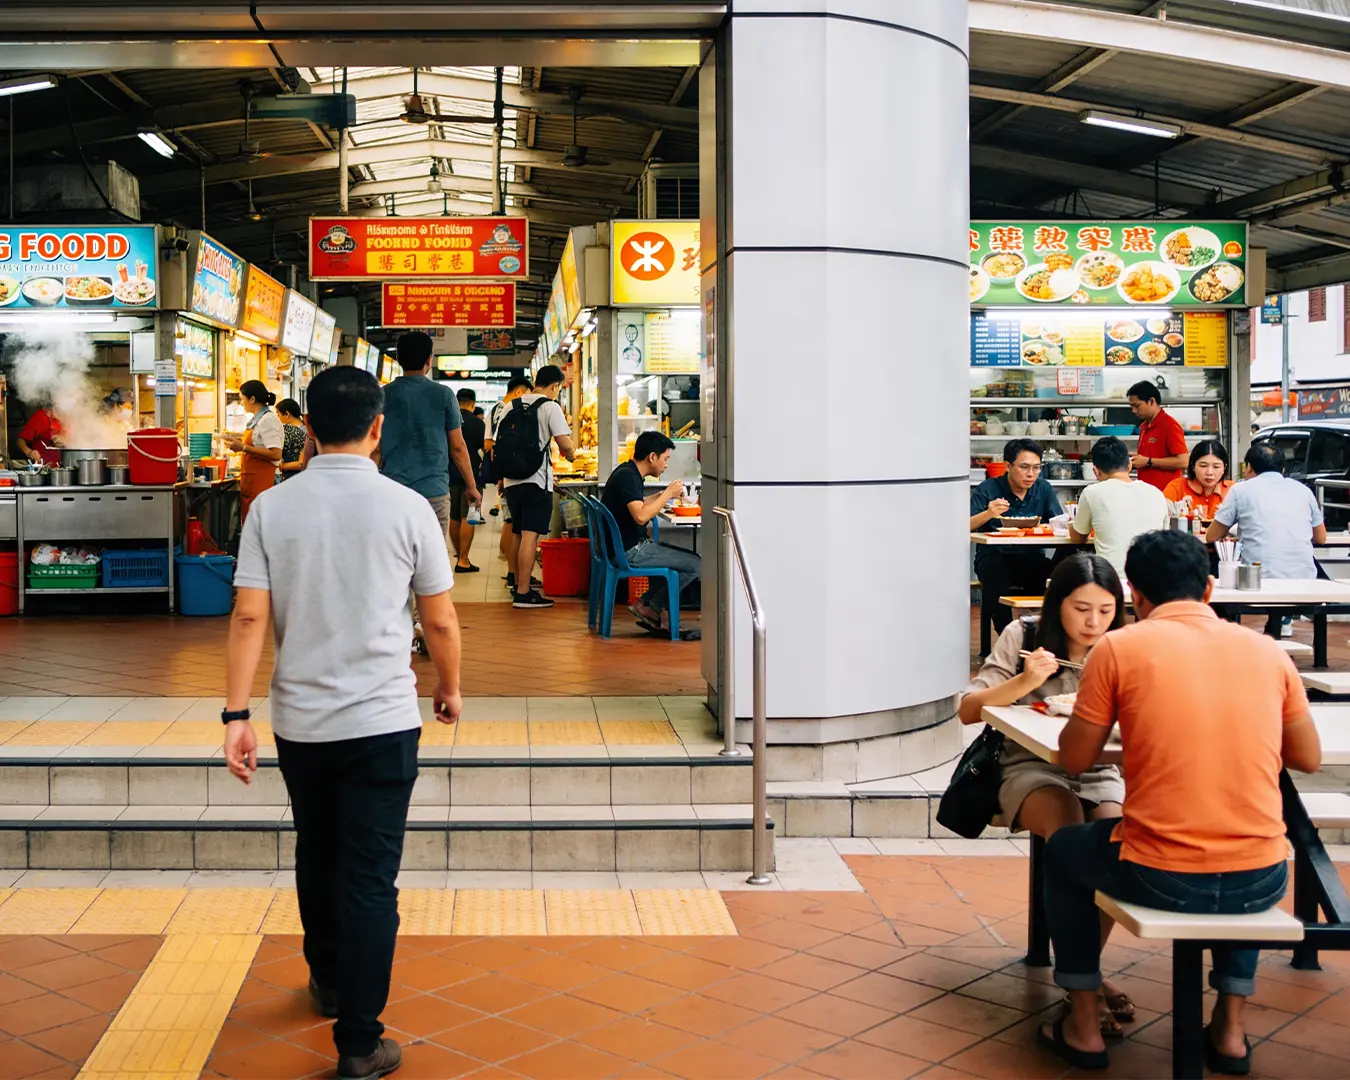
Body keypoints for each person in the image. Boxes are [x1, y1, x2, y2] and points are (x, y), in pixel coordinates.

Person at [225, 366, 462, 1080]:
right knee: (368, 876)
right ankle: (359, 1040)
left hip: (301, 722)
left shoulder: (271, 506)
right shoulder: (409, 506)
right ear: (377, 426)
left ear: (309, 428)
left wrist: (237, 714)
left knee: (317, 849)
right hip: (383, 719)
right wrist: (449, 687)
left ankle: (326, 977)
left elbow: (247, 616)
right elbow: (440, 617)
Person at [1036, 530, 1321, 1074]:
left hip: (1158, 872)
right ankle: (1231, 1030)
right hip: (1263, 874)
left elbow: (1074, 759)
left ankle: (1082, 1019)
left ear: (1135, 596)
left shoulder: (1121, 648)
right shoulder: (1266, 652)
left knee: (1066, 850)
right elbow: (1306, 757)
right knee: (1244, 854)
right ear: (1209, 587)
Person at [961, 553, 1135, 1036]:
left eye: (1105, 611)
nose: (1093, 622)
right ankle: (1084, 986)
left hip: (1100, 768)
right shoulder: (1025, 636)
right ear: (1058, 602)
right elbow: (969, 710)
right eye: (1081, 609)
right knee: (1070, 836)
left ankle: (1084, 977)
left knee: (1112, 843)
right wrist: (1027, 680)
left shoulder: (1124, 646)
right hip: (1029, 763)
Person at [1208, 442, 1327, 637]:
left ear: (1248, 467)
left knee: (1217, 570)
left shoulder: (1240, 490)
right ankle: (1280, 625)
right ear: (1282, 468)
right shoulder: (1303, 490)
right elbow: (1320, 537)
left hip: (1255, 582)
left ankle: (1228, 634)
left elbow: (1212, 536)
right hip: (1304, 581)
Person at [379, 332, 480, 547]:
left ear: (398, 359)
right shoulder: (443, 394)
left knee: (396, 556)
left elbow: (375, 449)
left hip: (393, 492)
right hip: (433, 491)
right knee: (431, 558)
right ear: (429, 360)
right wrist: (471, 486)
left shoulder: (382, 395)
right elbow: (458, 447)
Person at [601, 430, 694, 630]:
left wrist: (663, 496)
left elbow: (638, 503)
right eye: (666, 459)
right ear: (652, 457)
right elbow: (641, 516)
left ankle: (646, 604)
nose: (666, 465)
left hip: (622, 547)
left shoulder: (627, 472)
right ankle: (650, 606)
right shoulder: (628, 477)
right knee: (695, 564)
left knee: (686, 559)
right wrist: (668, 492)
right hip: (630, 551)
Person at [499, 364, 574, 608]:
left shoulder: (512, 405)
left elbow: (501, 446)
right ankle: (523, 592)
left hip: (512, 480)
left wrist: (501, 477)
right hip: (536, 480)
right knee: (531, 535)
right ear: (555, 386)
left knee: (518, 532)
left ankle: (517, 585)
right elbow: (565, 443)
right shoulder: (550, 407)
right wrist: (572, 455)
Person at [970, 439, 1064, 634]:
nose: (1031, 474)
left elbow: (1058, 523)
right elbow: (962, 526)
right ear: (1007, 466)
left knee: (1061, 575)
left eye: (1037, 468)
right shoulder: (988, 489)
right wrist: (988, 514)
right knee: (996, 579)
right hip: (994, 557)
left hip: (1031, 557)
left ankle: (1045, 637)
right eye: (1024, 467)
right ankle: (1009, 640)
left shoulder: (1042, 488)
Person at [1069, 437, 1168, 579]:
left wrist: (1072, 523)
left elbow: (1078, 538)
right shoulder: (1157, 493)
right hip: (1152, 580)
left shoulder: (1093, 492)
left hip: (1112, 580)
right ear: (1129, 465)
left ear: (1096, 471)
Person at [485, 376, 533, 589]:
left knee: (512, 522)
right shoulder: (504, 409)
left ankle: (513, 571)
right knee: (512, 523)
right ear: (520, 392)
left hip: (506, 472)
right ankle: (512, 573)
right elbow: (491, 443)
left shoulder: (498, 408)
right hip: (509, 473)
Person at [227, 381, 283, 521]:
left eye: (242, 399)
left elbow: (276, 454)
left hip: (264, 485)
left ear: (252, 399)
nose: (241, 403)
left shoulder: (268, 420)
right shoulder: (257, 420)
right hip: (253, 485)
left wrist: (244, 448)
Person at [448, 387, 486, 574]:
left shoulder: (449, 420)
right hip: (472, 476)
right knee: (469, 516)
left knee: (454, 517)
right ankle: (463, 559)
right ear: (473, 403)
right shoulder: (478, 424)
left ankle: (459, 555)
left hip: (450, 474)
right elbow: (486, 448)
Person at [1126, 380, 1188, 491]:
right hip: (1148, 492)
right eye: (1131, 406)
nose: (1134, 410)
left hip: (1166, 493)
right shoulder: (1145, 426)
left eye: (1137, 405)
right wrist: (1135, 457)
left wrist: (1148, 461)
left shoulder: (1170, 425)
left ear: (1151, 401)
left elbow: (1184, 461)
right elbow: (1154, 455)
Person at [1162, 440, 1233, 522]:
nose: (1209, 472)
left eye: (1216, 467)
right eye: (1203, 466)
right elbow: (1161, 518)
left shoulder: (1233, 489)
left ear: (1224, 468)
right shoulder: (1177, 487)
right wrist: (1179, 510)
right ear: (1193, 466)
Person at [276, 398, 308, 481]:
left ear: (286, 414)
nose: (278, 418)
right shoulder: (301, 429)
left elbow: (303, 462)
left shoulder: (304, 432)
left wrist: (282, 466)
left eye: (278, 415)